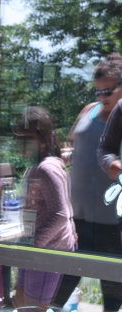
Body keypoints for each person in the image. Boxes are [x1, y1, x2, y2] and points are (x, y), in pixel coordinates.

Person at [54, 53, 122, 311]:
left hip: (113, 223)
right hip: (77, 217)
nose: (102, 98)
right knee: (60, 286)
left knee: (113, 295)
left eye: (108, 91)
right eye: (97, 92)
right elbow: (71, 144)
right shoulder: (88, 110)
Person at [11, 107, 76, 311]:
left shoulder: (47, 168)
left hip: (49, 249)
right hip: (35, 248)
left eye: (27, 138)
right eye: (17, 139)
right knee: (19, 300)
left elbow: (60, 214)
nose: (21, 145)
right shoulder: (33, 166)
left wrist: (35, 243)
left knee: (33, 307)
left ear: (43, 139)